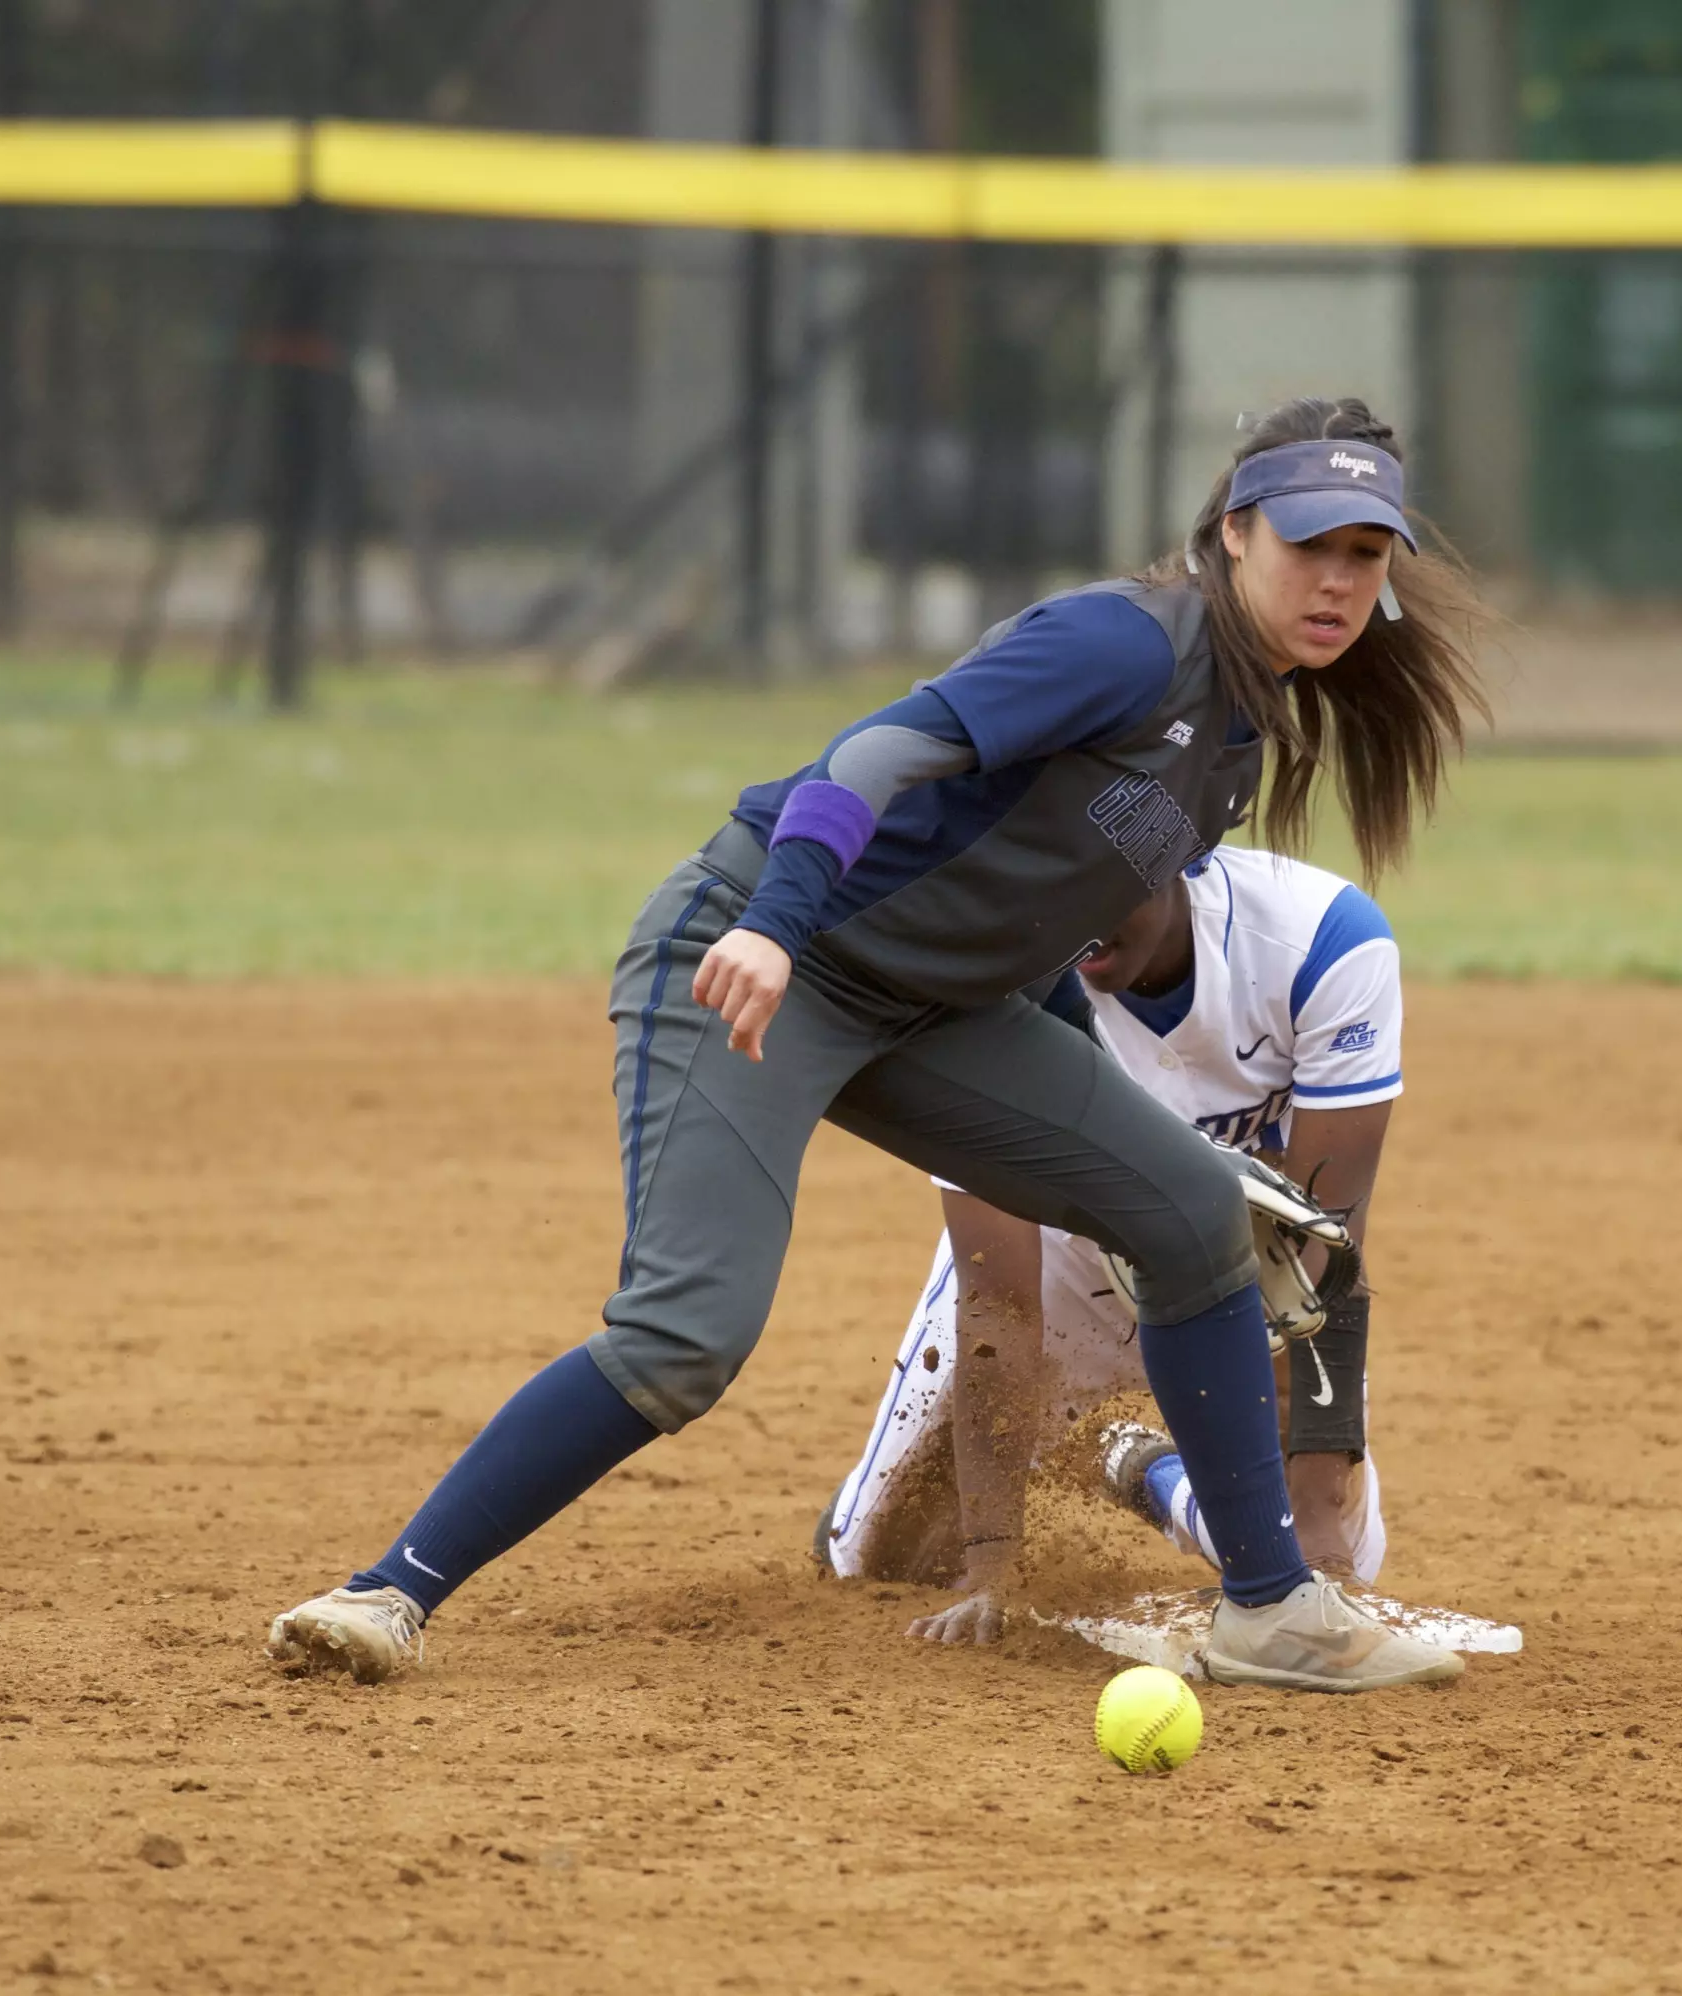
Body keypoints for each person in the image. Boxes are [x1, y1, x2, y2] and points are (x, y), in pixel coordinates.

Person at [266, 394, 1488, 1688]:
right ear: (1235, 533)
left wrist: (1110, 1130)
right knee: (687, 1336)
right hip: (759, 956)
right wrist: (772, 925)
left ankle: (1270, 1609)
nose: (1338, 579)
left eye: (1365, 554)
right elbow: (876, 753)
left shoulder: (1239, 732)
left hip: (937, 1010)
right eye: (1310, 544)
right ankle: (387, 1592)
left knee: (1190, 1208)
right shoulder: (1126, 643)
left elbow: (1034, 914)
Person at [816, 845, 1406, 1640]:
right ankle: (1104, 1461)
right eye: (1060, 891)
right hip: (1062, 1258)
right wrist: (993, 1570)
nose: (1078, 923)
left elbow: (1320, 1260)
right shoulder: (988, 979)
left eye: (1100, 888)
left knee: (1322, 1561)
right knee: (884, 1558)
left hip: (1244, 1271)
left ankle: (1144, 1471)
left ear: (1178, 855)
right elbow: (997, 1301)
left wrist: (1321, 1541)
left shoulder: (1321, 943)